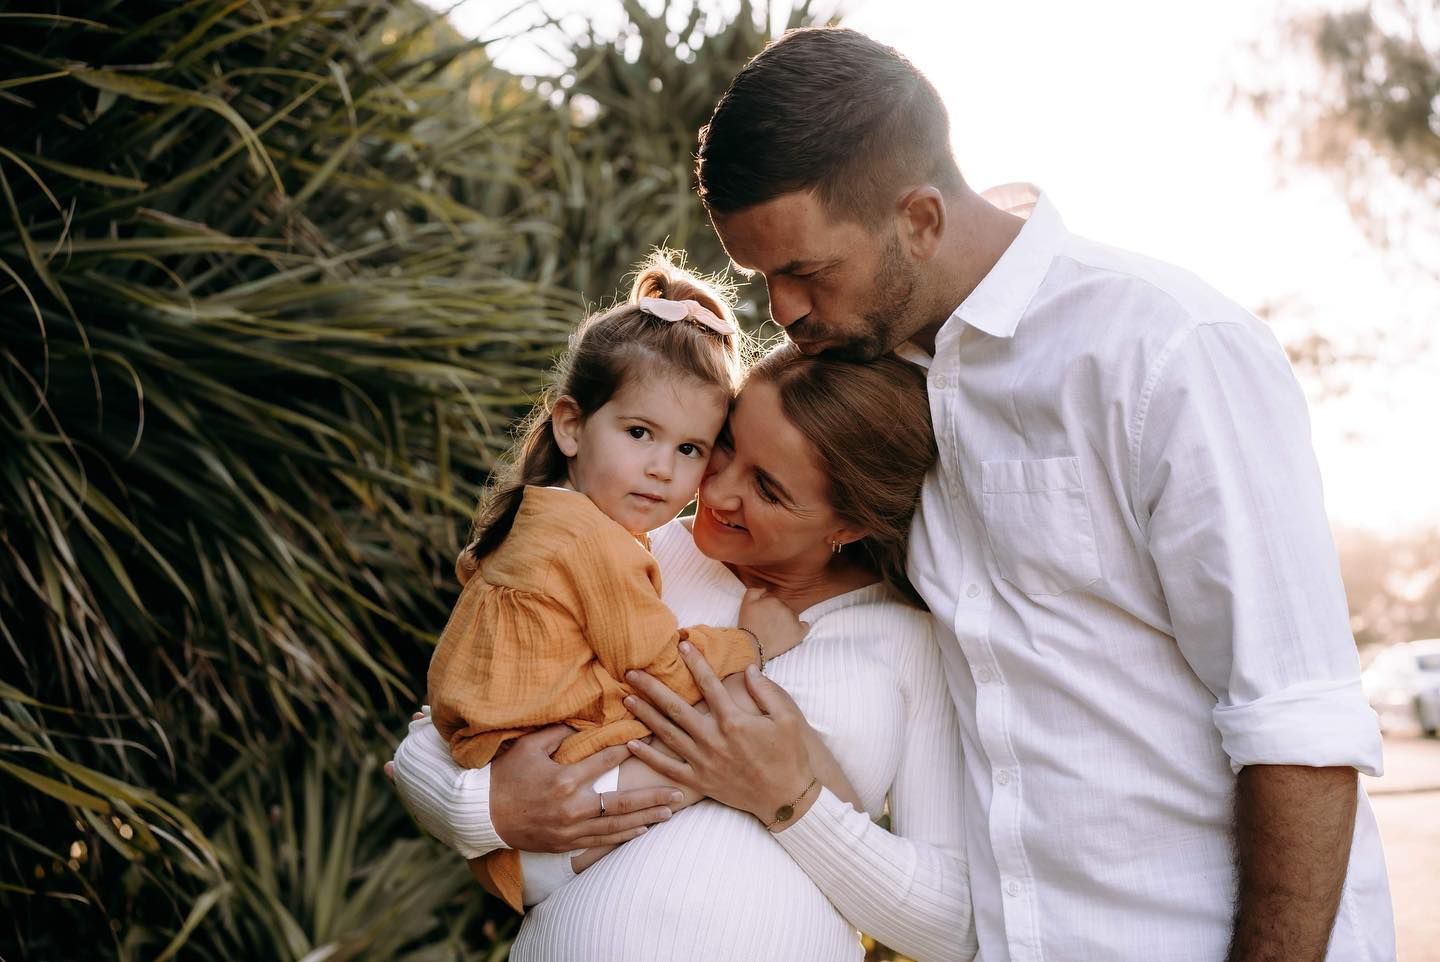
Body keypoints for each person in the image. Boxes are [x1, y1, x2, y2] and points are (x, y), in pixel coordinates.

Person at [626, 24, 1392, 962]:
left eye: (804, 272)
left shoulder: (1164, 351)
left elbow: (1298, 722)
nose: (780, 311)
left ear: (921, 218)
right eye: (763, 277)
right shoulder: (876, 395)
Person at [392, 339, 976, 961]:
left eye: (769, 489)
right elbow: (444, 720)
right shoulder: (632, 548)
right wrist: (483, 809)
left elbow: (952, 928)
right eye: (724, 446)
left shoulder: (912, 637)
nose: (716, 492)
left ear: (848, 525)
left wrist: (790, 803)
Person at [424, 254, 823, 912]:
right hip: (552, 825)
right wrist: (750, 642)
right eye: (640, 433)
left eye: (691, 449)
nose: (663, 470)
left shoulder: (546, 512)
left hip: (515, 778)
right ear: (572, 425)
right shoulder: (592, 542)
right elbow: (658, 669)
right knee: (732, 719)